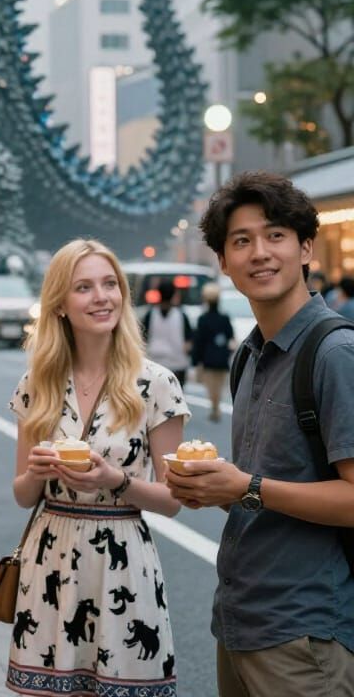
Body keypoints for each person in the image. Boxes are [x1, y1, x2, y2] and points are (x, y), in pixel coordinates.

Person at [167, 171, 354, 696]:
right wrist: (213, 488)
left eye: (275, 236)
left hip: (306, 632)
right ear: (223, 263)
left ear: (305, 248)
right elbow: (264, 488)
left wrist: (244, 487)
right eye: (241, 241)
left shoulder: (334, 354)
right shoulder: (249, 356)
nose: (260, 253)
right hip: (240, 621)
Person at [9, 238, 189, 696]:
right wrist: (37, 472)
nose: (102, 297)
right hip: (49, 557)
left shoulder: (156, 384)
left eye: (110, 285)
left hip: (123, 558)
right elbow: (23, 494)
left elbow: (174, 501)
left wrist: (117, 480)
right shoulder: (38, 382)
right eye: (84, 287)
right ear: (61, 304)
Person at [191, 283, 235, 422]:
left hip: (208, 358)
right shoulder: (224, 318)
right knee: (219, 384)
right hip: (222, 357)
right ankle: (216, 406)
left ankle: (214, 406)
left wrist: (196, 360)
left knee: (211, 385)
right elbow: (230, 337)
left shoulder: (203, 319)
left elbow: (199, 341)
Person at [140, 281, 193, 385]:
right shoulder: (181, 315)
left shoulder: (150, 315)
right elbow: (189, 341)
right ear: (173, 295)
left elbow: (142, 338)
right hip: (177, 362)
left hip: (154, 362)